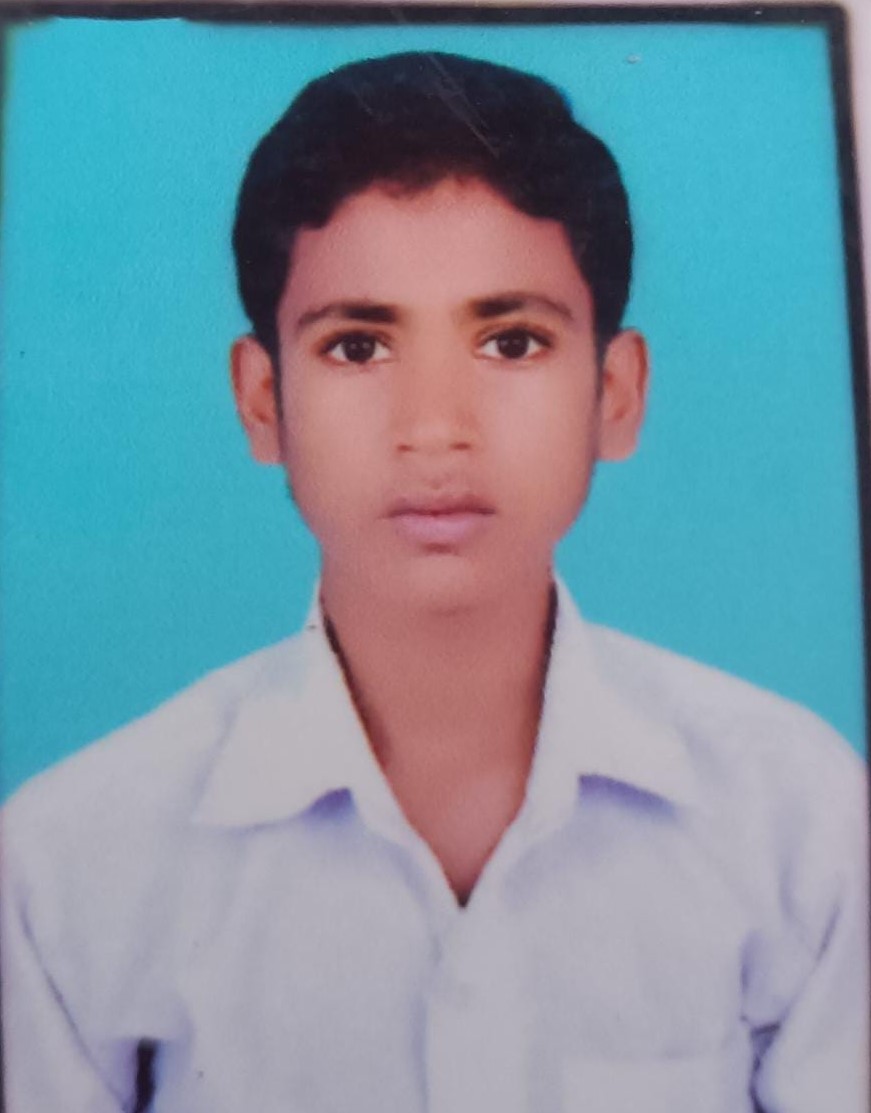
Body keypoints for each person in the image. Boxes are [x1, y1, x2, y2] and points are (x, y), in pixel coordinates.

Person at [1, 51, 867, 1113]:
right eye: (358, 347)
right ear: (263, 401)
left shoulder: (797, 820)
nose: (434, 428)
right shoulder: (74, 860)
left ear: (615, 391)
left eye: (511, 341)